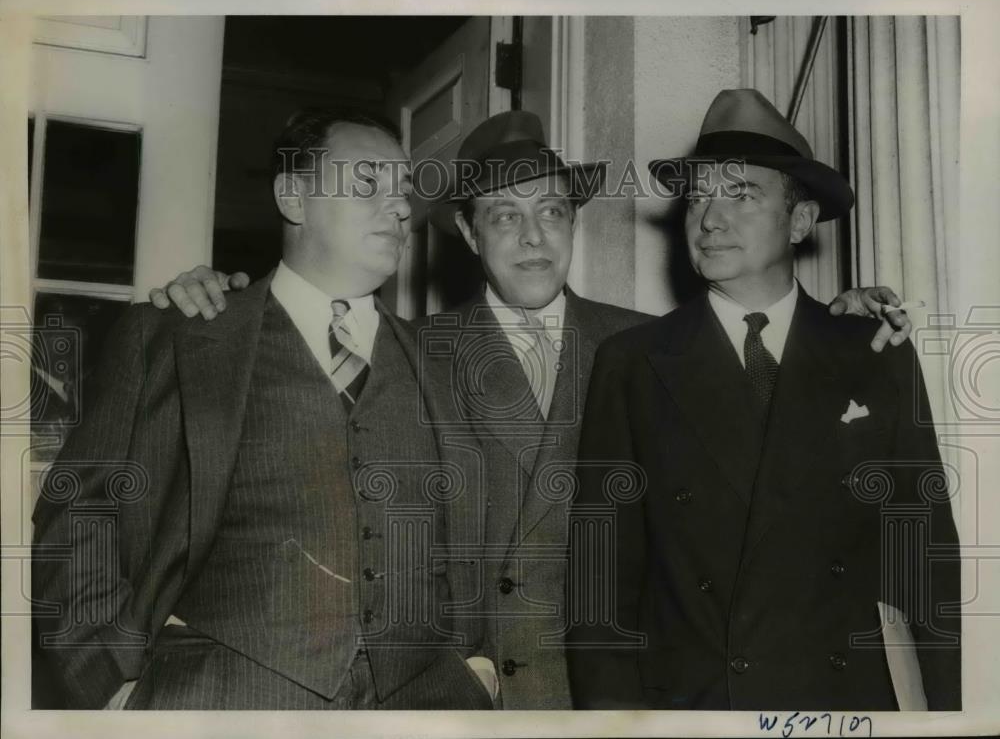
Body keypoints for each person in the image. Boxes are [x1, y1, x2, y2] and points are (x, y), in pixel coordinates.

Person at [150, 110, 913, 709]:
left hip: (612, 687)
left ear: (575, 222)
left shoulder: (651, 347)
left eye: (551, 211)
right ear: (466, 232)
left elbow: (762, 427)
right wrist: (209, 295)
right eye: (504, 215)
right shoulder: (404, 350)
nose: (533, 237)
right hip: (464, 690)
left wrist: (843, 320)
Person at [31, 108, 494, 710]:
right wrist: (107, 682)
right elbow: (77, 511)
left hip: (424, 703)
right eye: (367, 184)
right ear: (292, 197)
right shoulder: (176, 336)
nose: (402, 208)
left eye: (403, 191)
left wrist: (476, 667)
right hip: (225, 697)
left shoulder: (441, 365)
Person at [566, 89, 961, 710]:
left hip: (844, 703)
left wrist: (944, 716)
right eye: (698, 197)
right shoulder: (633, 363)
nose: (710, 218)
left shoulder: (873, 351)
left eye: (741, 194)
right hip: (696, 709)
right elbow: (600, 590)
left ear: (800, 221)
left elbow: (923, 556)